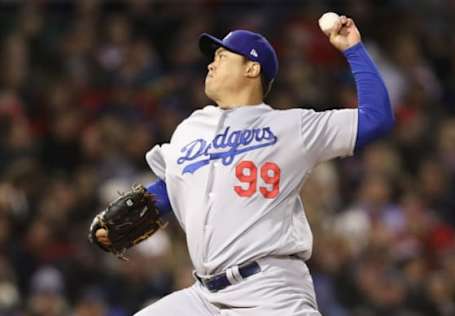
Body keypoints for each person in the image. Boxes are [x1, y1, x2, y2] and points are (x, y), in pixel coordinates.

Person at [95, 14, 394, 315]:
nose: (211, 64)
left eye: (222, 57)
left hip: (270, 290)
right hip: (204, 297)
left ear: (252, 68)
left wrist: (352, 48)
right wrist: (126, 220)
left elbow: (375, 118)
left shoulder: (290, 127)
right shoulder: (190, 128)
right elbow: (171, 187)